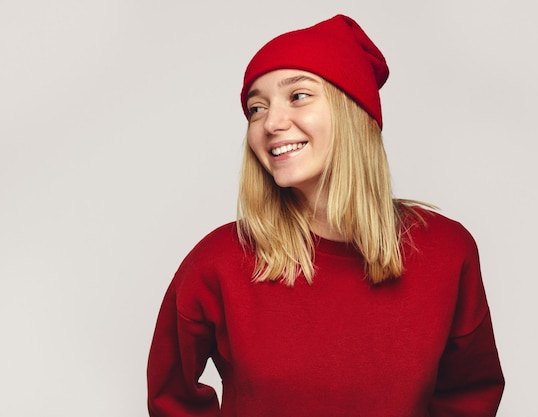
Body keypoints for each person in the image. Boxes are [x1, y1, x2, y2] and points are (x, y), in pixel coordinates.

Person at [147, 14, 505, 417]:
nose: (271, 123)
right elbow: (171, 399)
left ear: (353, 109)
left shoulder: (446, 251)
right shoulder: (218, 263)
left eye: (298, 96)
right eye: (256, 108)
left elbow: (470, 397)